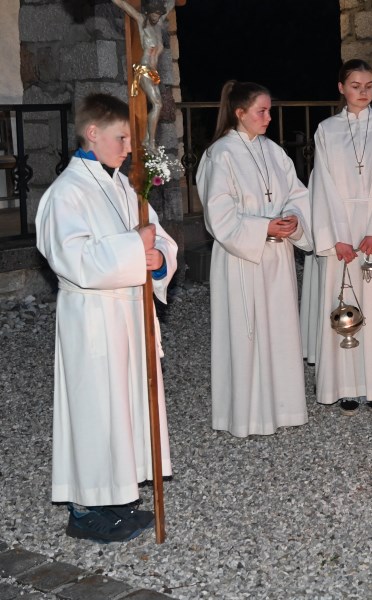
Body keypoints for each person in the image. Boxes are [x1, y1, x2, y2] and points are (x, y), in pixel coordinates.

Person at [35, 93, 177, 542]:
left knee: (126, 406)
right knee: (97, 409)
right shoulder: (65, 193)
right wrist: (137, 248)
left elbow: (159, 239)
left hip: (130, 315)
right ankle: (84, 509)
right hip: (93, 320)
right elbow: (72, 259)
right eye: (122, 137)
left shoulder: (121, 185)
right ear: (92, 134)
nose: (130, 148)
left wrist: (157, 262)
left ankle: (117, 497)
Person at [196, 80, 313, 437]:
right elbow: (219, 215)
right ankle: (247, 415)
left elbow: (297, 193)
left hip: (277, 259)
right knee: (246, 333)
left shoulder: (274, 151)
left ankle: (283, 408)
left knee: (278, 329)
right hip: (242, 258)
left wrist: (294, 219)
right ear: (239, 112)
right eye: (261, 111)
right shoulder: (221, 154)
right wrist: (264, 228)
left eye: (269, 110)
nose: (268, 117)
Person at [310, 59, 372, 415]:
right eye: (355, 86)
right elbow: (322, 186)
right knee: (343, 301)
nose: (363, 92)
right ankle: (347, 386)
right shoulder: (326, 130)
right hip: (342, 227)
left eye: (369, 86)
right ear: (341, 88)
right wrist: (338, 236)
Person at [111, 0, 175, 149]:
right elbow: (124, 4)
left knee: (158, 105)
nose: (156, 17)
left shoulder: (158, 25)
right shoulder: (141, 21)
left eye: (158, 15)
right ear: (148, 13)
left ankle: (147, 138)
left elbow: (170, 4)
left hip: (153, 72)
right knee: (158, 104)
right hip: (144, 68)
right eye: (154, 14)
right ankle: (151, 143)